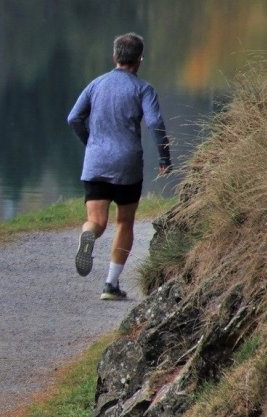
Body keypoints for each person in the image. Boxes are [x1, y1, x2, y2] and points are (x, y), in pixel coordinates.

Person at [67, 32, 170, 300]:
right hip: (127, 164)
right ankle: (110, 285)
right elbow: (155, 123)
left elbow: (74, 118)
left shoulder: (96, 85)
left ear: (114, 57)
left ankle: (88, 235)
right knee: (124, 223)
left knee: (96, 220)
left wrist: (90, 142)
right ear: (139, 60)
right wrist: (164, 157)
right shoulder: (143, 89)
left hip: (96, 161)